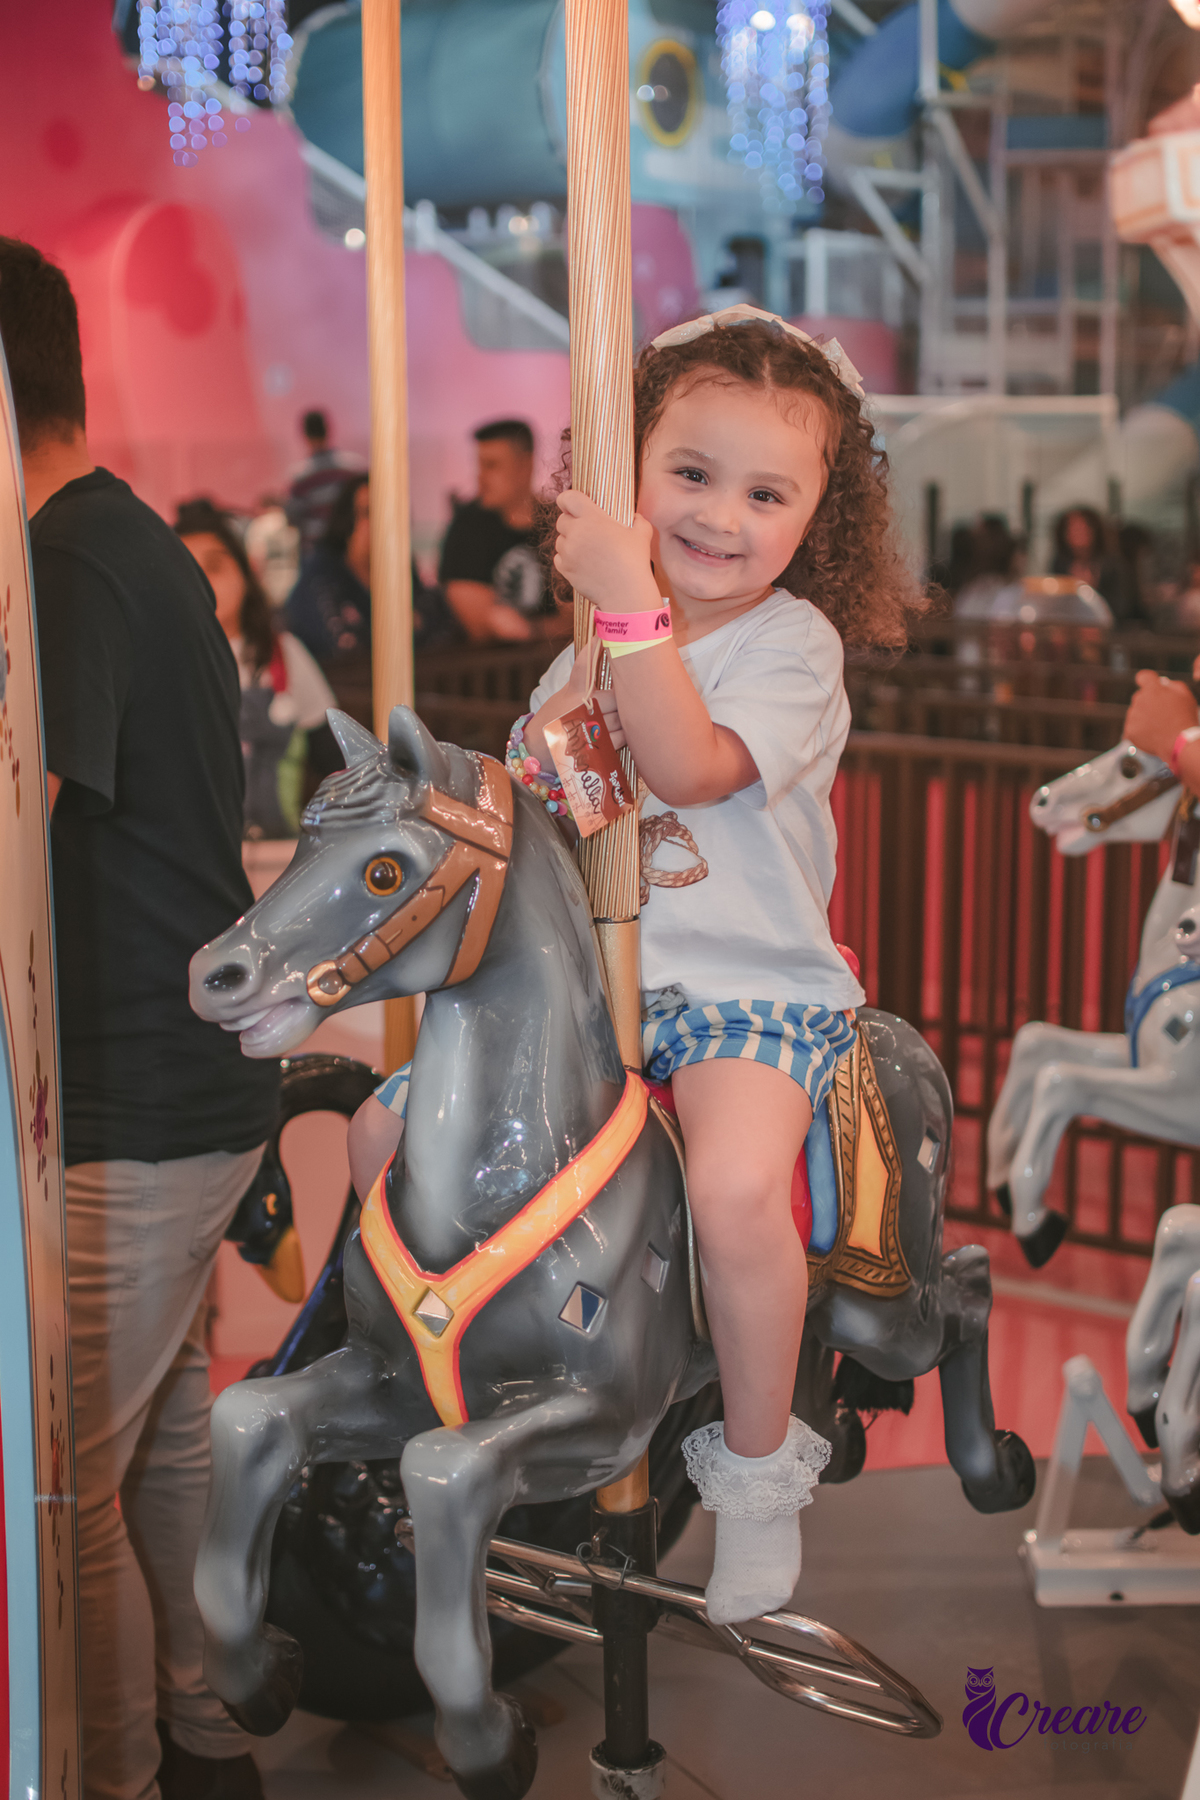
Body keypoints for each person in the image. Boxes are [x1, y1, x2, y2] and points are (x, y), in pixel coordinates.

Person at [348, 304, 920, 1628]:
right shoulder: (590, 647)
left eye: (765, 492)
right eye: (691, 476)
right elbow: (552, 808)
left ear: (816, 519)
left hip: (745, 993)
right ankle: (467, 1381)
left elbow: (688, 766)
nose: (723, 515)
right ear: (626, 475)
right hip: (597, 998)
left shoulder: (791, 647)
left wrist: (632, 611)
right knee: (387, 1134)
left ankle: (762, 1473)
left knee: (728, 1192)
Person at [0, 238, 279, 1799]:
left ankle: (100, 1768)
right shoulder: (124, 542)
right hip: (183, 1085)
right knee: (163, 1438)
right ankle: (197, 1735)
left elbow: (16, 818)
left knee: (64, 1482)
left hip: (132, 1094)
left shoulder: (62, 565)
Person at [175, 498, 338, 838]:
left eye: (214, 567)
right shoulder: (160, 663)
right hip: (191, 859)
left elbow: (335, 762)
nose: (202, 584)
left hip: (278, 859)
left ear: (245, 571)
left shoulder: (285, 654)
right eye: (186, 571)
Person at [439, 418, 567, 642]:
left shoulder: (558, 521)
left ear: (524, 467)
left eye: (492, 466)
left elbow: (579, 618)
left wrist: (531, 629)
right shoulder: (466, 528)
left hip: (559, 666)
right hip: (490, 671)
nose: (480, 477)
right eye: (479, 465)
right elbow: (481, 625)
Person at [284, 472, 373, 724]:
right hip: (332, 713)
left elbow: (437, 629)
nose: (381, 524)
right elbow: (342, 646)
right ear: (348, 519)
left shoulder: (401, 573)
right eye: (368, 513)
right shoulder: (321, 575)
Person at [285, 406, 366, 558]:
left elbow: (294, 517)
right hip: (349, 548)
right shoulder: (353, 466)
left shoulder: (300, 475)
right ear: (327, 430)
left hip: (316, 551)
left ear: (305, 435)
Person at [242, 492, 300, 606]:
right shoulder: (293, 522)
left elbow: (255, 560)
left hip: (270, 587)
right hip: (296, 583)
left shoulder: (259, 525)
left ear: (262, 507)